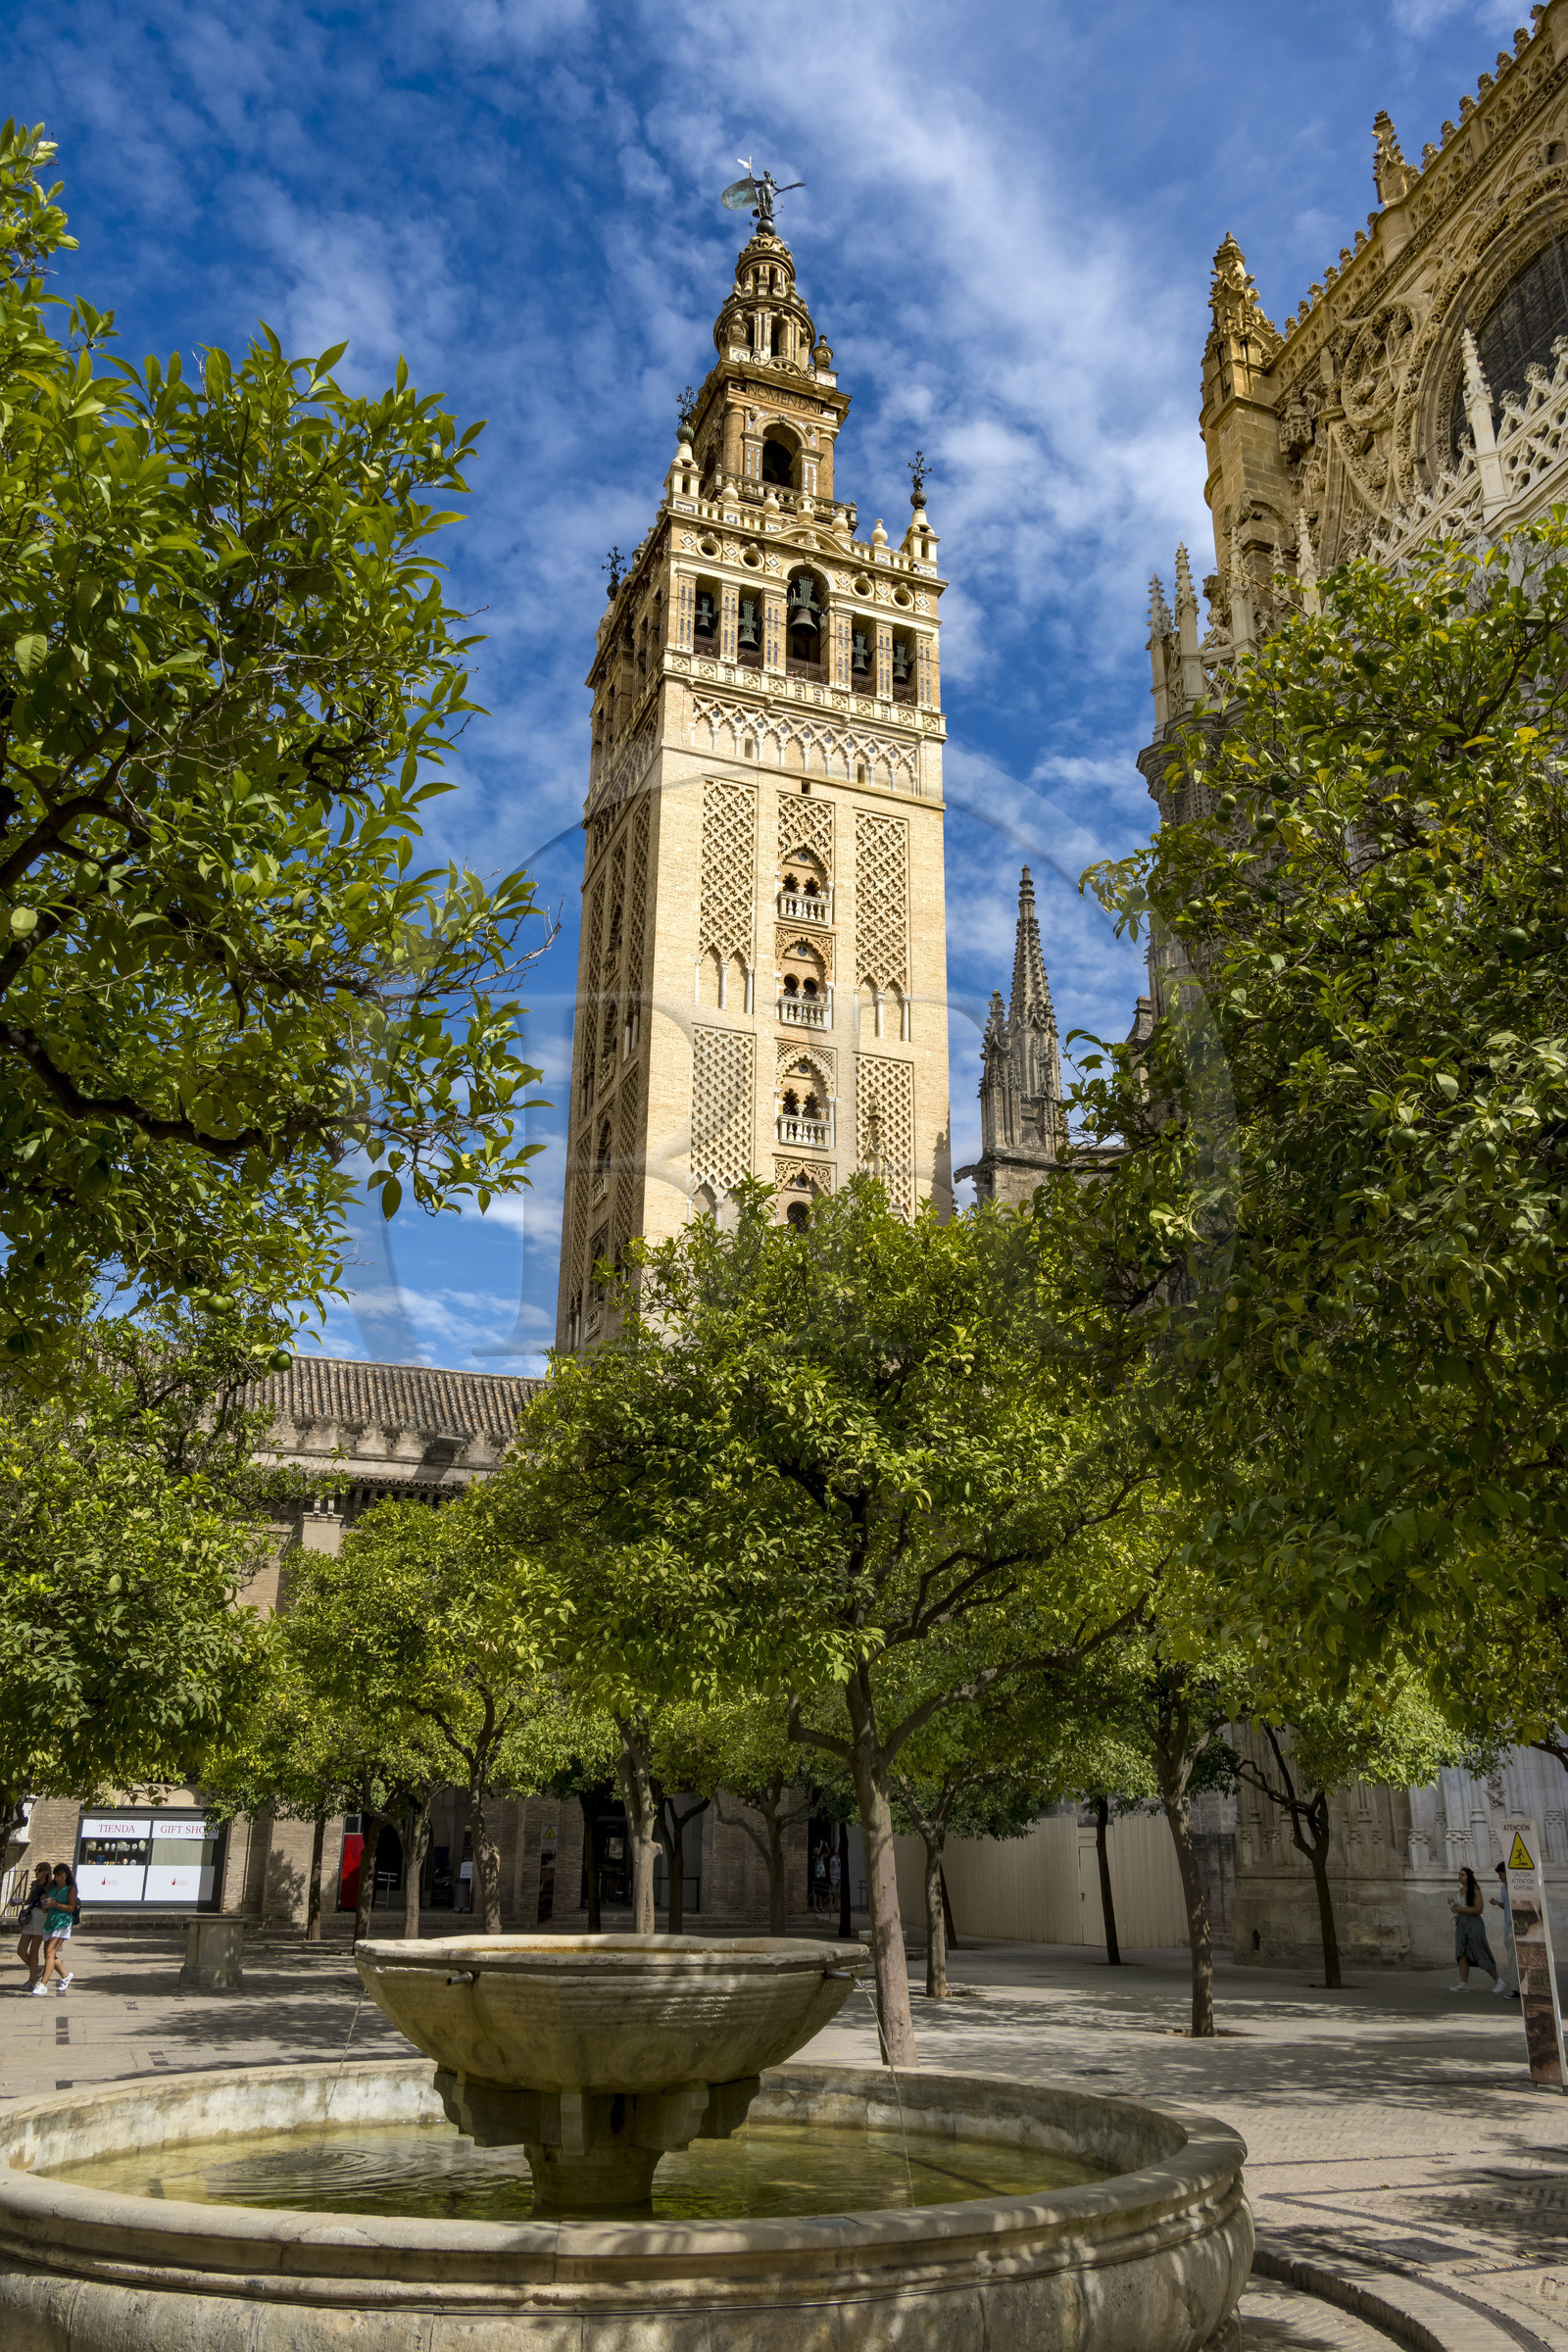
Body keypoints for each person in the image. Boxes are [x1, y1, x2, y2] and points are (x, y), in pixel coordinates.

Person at [1450, 1865, 1505, 1993]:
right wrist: (1454, 1905)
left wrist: (1460, 1909)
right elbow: (1461, 1906)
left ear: (1469, 1877)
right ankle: (1463, 1982)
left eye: (1463, 1875)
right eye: (1459, 1874)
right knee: (1461, 1953)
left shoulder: (1474, 1890)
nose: (1460, 1877)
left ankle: (1498, 1980)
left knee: (1479, 1950)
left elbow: (1478, 1909)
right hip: (1461, 1924)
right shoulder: (1461, 1890)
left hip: (1473, 1924)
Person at [34, 1865, 78, 1996]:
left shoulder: (70, 1889)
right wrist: (44, 1903)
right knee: (49, 1955)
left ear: (65, 1874)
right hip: (50, 1922)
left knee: (49, 1953)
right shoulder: (53, 1888)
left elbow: (71, 1907)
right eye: (55, 1875)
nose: (56, 1878)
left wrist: (56, 1904)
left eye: (59, 1875)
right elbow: (45, 1909)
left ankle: (43, 1985)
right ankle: (65, 1975)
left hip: (62, 1922)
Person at [15, 1863, 52, 1989]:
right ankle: (36, 1970)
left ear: (47, 1871)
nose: (36, 1872)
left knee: (34, 1950)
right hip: (30, 1916)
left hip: (41, 1916)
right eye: (36, 1869)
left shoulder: (50, 1886)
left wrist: (46, 1899)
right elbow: (30, 1900)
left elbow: (50, 1903)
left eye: (39, 1870)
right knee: (21, 1950)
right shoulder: (35, 1884)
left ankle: (31, 1981)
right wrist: (19, 1902)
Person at [1492, 1861, 1523, 1999]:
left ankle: (1517, 1989)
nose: (1500, 1878)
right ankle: (1516, 1988)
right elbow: (1507, 1906)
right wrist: (1498, 1903)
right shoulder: (1504, 1888)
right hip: (1509, 1927)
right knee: (1513, 1960)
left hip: (1520, 1927)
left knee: (1518, 1960)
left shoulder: (1519, 1886)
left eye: (1501, 1874)